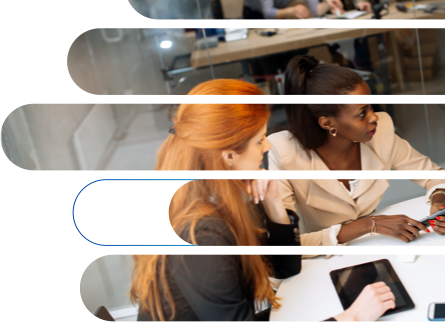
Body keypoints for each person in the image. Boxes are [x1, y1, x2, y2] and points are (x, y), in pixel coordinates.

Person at [131, 79, 395, 322]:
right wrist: (353, 318)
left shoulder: (225, 193)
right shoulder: (202, 234)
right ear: (229, 156)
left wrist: (273, 202)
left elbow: (284, 267)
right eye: (259, 141)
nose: (267, 147)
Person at [268, 56, 445, 247]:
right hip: (326, 256)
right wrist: (369, 225)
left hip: (380, 245)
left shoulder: (380, 132)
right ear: (327, 123)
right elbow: (283, 245)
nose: (374, 117)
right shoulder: (284, 151)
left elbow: (433, 176)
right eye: (362, 113)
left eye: (371, 107)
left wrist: (439, 203)